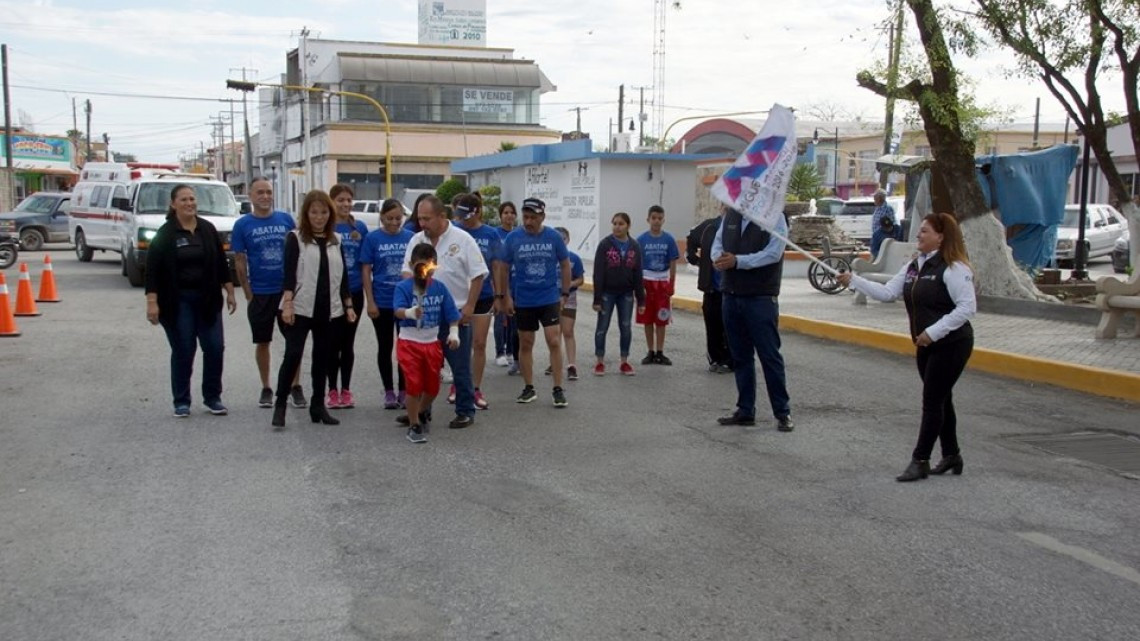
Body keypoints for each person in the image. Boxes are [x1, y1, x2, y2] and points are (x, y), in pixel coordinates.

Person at [837, 213, 976, 482]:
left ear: (941, 236)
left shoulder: (954, 268)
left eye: (924, 231)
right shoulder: (915, 265)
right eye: (919, 231)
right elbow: (888, 293)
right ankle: (952, 455)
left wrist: (933, 332)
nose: (918, 236)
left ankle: (920, 459)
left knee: (933, 400)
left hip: (952, 344)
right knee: (942, 398)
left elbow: (967, 308)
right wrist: (854, 280)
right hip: (925, 343)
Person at [145, 184, 237, 417]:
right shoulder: (166, 234)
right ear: (173, 204)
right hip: (178, 301)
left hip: (207, 299)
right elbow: (153, 271)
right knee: (184, 349)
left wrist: (230, 291)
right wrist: (152, 302)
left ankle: (213, 397)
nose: (189, 203)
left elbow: (220, 262)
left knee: (215, 348)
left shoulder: (207, 229)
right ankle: (181, 401)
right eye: (184, 200)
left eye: (192, 199)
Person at [271, 190, 357, 430]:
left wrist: (348, 305)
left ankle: (318, 406)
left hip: (329, 309)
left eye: (323, 212)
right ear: (306, 214)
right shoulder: (295, 238)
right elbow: (288, 275)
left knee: (323, 357)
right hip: (299, 308)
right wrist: (287, 304)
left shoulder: (336, 240)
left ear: (330, 214)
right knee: (293, 355)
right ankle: (280, 405)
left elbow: (343, 277)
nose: (319, 217)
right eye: (314, 212)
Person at [400, 195, 487, 430]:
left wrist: (469, 306)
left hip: (454, 315)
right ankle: (420, 412)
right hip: (425, 317)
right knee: (425, 368)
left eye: (427, 219)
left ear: (442, 216)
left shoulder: (463, 239)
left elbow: (478, 274)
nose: (422, 224)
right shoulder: (416, 240)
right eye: (420, 218)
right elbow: (407, 273)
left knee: (459, 366)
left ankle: (465, 410)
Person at [711, 208, 794, 433]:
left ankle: (782, 412)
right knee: (740, 356)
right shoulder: (730, 216)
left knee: (769, 356)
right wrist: (718, 258)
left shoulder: (775, 217)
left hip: (760, 297)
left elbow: (773, 253)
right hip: (731, 295)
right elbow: (717, 244)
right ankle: (745, 410)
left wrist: (739, 261)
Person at [231, 176, 305, 409]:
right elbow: (240, 260)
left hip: (287, 292)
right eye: (260, 192)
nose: (265, 196)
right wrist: (247, 292)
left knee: (294, 342)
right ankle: (266, 387)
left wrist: (294, 288)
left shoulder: (285, 220)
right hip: (260, 293)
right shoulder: (243, 225)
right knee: (263, 341)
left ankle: (295, 385)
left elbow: (298, 253)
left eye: (268, 192)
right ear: (251, 196)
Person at [497, 198, 572, 407]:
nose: (529, 221)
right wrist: (506, 296)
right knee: (526, 342)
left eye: (533, 217)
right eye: (526, 217)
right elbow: (503, 267)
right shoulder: (513, 238)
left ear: (543, 217)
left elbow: (565, 265)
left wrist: (564, 293)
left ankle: (558, 388)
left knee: (554, 340)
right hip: (524, 299)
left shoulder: (553, 237)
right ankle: (529, 387)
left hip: (548, 297)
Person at [395, 243, 461, 444]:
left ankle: (418, 412)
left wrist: (454, 333)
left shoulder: (440, 288)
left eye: (429, 267)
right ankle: (414, 424)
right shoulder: (403, 287)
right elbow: (397, 310)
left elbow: (452, 314)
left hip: (432, 343)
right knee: (414, 385)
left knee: (432, 387)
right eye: (420, 266)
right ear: (412, 264)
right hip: (410, 342)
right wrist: (409, 312)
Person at [360, 199, 414, 410]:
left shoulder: (410, 238)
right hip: (382, 301)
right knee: (385, 346)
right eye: (389, 218)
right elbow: (366, 269)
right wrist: (370, 301)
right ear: (381, 217)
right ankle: (389, 390)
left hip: (404, 302)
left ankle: (404, 389)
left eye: (398, 218)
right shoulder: (372, 238)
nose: (394, 222)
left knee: (405, 347)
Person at [454, 193, 502, 409]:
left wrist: (500, 295)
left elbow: (496, 266)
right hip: (458, 296)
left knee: (479, 343)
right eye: (460, 214)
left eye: (466, 215)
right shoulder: (454, 231)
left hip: (483, 296)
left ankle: (475, 388)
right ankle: (458, 383)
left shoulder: (490, 234)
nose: (462, 219)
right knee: (458, 345)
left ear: (478, 211)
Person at [326, 184, 369, 409]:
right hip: (331, 293)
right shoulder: (326, 226)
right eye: (340, 200)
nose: (345, 204)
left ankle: (346, 389)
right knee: (332, 343)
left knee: (348, 343)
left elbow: (365, 263)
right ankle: (332, 390)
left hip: (354, 291)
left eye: (348, 200)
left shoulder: (359, 227)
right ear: (332, 201)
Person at [592, 212, 646, 376]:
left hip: (626, 294)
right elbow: (598, 272)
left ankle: (624, 361)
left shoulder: (634, 246)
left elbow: (638, 274)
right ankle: (600, 362)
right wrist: (597, 298)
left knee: (626, 326)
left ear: (628, 226)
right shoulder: (605, 245)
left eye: (621, 223)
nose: (617, 226)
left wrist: (641, 300)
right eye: (614, 223)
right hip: (607, 293)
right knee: (602, 327)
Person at [686, 209, 732, 373]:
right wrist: (694, 258)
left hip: (730, 288)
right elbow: (691, 237)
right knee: (712, 324)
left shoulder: (737, 227)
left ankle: (729, 360)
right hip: (711, 286)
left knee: (729, 326)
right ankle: (715, 358)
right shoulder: (709, 226)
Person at [636, 205, 680, 365]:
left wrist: (672, 283)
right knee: (647, 319)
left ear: (663, 220)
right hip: (646, 281)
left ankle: (660, 352)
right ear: (648, 219)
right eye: (653, 218)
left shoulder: (669, 239)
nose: (656, 221)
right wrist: (638, 285)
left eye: (659, 218)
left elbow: (673, 261)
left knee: (662, 318)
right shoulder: (641, 240)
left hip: (662, 283)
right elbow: (637, 263)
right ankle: (650, 351)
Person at [545, 226, 584, 380]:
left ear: (568, 240)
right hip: (551, 298)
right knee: (554, 334)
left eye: (563, 239)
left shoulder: (574, 258)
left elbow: (580, 279)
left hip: (569, 298)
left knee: (568, 331)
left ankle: (571, 365)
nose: (561, 241)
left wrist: (570, 284)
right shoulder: (547, 257)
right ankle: (554, 361)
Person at [494, 201, 519, 371]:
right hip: (499, 281)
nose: (509, 215)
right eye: (505, 213)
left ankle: (511, 350)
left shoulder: (518, 234)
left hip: (515, 282)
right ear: (500, 215)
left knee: (513, 320)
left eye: (511, 212)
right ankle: (499, 352)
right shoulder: (496, 234)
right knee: (500, 317)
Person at [870, 189, 902, 258]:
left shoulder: (887, 208)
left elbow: (891, 222)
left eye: (875, 198)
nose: (874, 199)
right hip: (877, 236)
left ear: (880, 198)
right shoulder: (877, 208)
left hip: (885, 236)